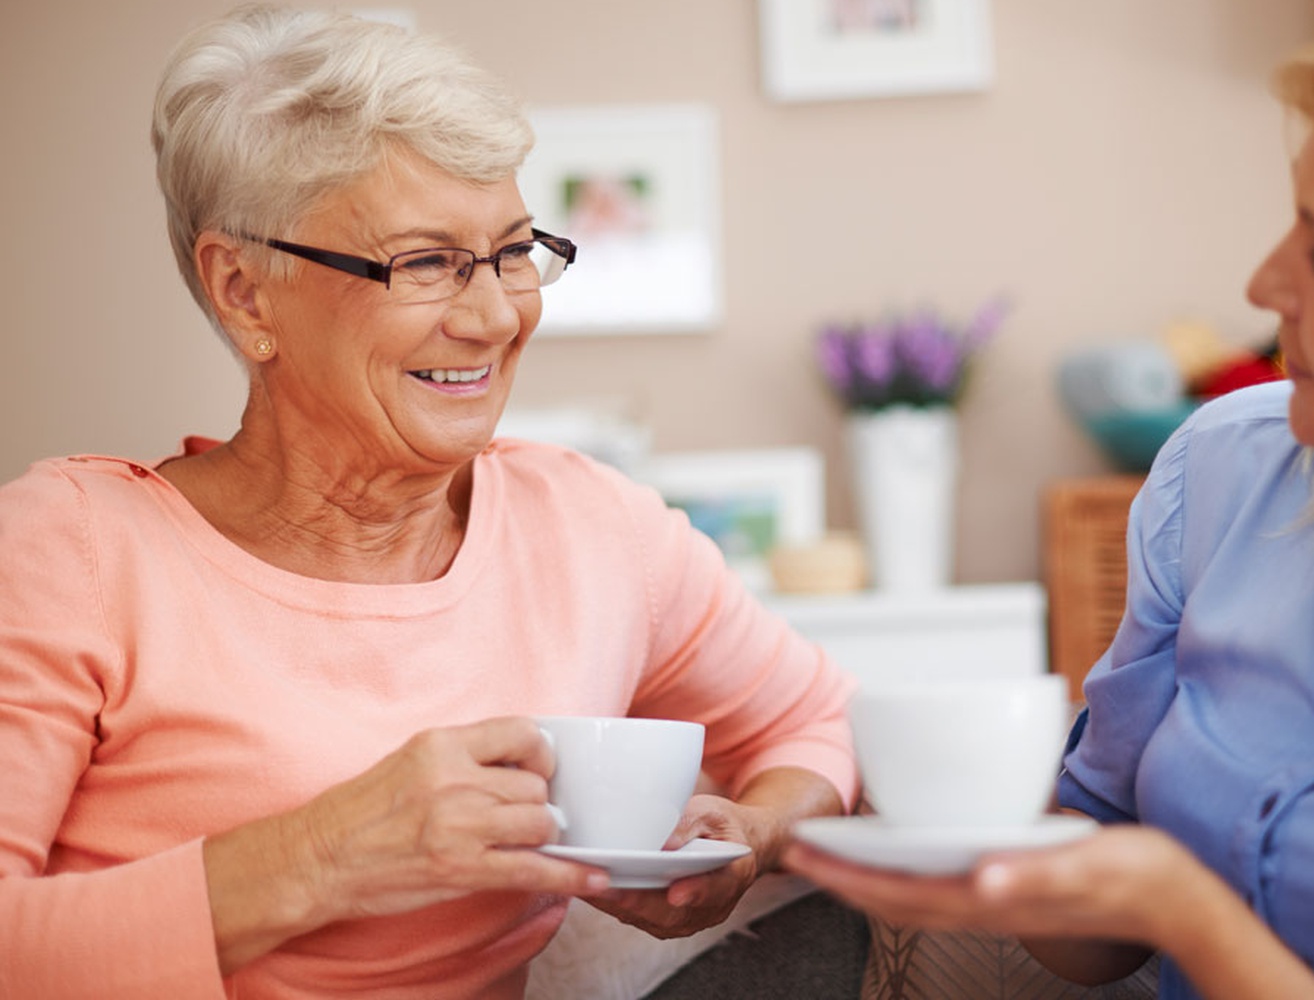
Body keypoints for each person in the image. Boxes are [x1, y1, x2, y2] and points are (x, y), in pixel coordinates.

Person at [0, 6, 857, 998]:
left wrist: (751, 833)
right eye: (423, 262)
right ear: (243, 290)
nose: (495, 314)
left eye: (510, 251)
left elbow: (821, 725)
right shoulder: (73, 552)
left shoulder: (588, 529)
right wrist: (326, 853)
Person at [786, 1, 1314, 997]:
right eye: (1291, 217)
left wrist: (1184, 910)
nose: (1263, 283)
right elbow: (1097, 898)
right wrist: (944, 819)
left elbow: (1152, 901)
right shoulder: (1225, 471)